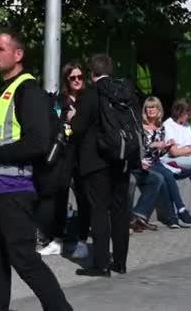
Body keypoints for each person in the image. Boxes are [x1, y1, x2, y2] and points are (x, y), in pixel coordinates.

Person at [0, 28, 72, 311]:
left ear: (18, 54)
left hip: (13, 194)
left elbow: (37, 143)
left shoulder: (28, 91)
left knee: (26, 262)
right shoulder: (2, 91)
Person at [69, 54, 133, 277]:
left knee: (98, 211)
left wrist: (71, 116)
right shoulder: (123, 91)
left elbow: (77, 126)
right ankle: (121, 262)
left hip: (96, 161)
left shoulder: (91, 93)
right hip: (122, 158)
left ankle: (101, 264)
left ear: (91, 73)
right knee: (119, 211)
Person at [37, 62, 91, 259]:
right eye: (72, 78)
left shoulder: (88, 99)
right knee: (59, 195)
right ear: (66, 80)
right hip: (65, 153)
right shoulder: (59, 101)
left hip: (85, 154)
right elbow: (55, 125)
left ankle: (82, 239)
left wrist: (77, 118)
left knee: (85, 198)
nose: (77, 81)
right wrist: (68, 121)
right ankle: (56, 239)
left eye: (80, 77)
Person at [131, 96, 191, 229]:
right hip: (144, 162)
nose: (150, 110)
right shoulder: (139, 126)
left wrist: (164, 147)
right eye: (148, 107)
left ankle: (174, 216)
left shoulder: (160, 128)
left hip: (156, 162)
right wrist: (155, 145)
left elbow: (160, 154)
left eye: (153, 107)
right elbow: (139, 147)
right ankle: (176, 214)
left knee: (166, 177)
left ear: (158, 109)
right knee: (164, 178)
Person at [163, 98, 191, 182]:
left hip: (188, 156)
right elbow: (174, 152)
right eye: (188, 114)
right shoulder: (168, 125)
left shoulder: (186, 125)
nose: (190, 116)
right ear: (180, 111)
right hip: (172, 159)